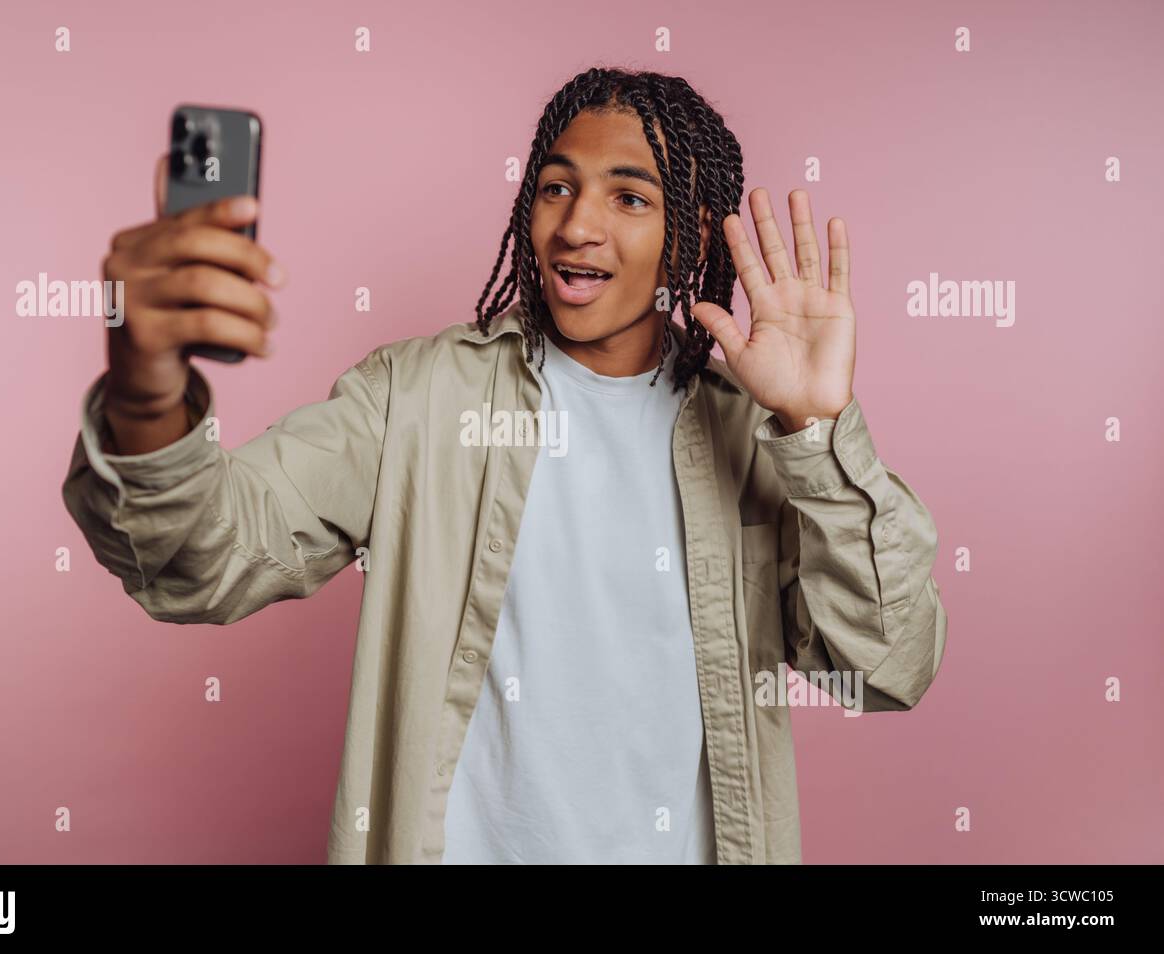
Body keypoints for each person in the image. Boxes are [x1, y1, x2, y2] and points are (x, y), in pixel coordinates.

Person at [62, 67, 947, 864]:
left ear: (687, 243)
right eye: (556, 186)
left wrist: (815, 426)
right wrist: (144, 394)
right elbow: (199, 561)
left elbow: (882, 668)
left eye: (630, 198)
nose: (576, 225)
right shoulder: (416, 399)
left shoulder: (761, 438)